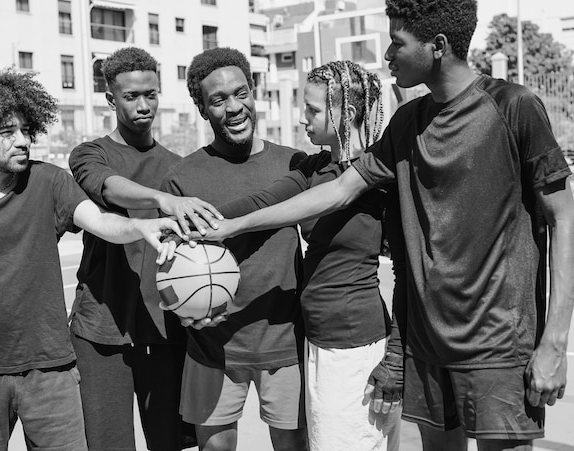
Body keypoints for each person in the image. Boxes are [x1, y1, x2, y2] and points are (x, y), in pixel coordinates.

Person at [190, 1, 574, 450]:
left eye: (397, 43)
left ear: (438, 46)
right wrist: (230, 226)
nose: (388, 56)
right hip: (427, 343)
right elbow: (336, 190)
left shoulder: (514, 107)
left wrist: (554, 342)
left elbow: (563, 218)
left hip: (498, 340)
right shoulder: (407, 123)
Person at [0, 68, 184, 451]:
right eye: (8, 133)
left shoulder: (50, 182)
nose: (22, 141)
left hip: (50, 370)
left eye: (26, 130)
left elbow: (102, 221)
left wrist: (140, 228)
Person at [201, 60, 403, 451]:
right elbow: (262, 201)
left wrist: (395, 358)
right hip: (317, 342)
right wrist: (197, 220)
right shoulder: (314, 167)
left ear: (348, 112)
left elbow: (410, 274)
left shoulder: (378, 176)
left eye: (312, 110)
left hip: (355, 346)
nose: (302, 119)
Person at [68, 47, 220, 451]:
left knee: (168, 443)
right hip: (101, 329)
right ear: (110, 99)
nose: (143, 105)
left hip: (165, 329)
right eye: (131, 96)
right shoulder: (89, 154)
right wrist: (163, 200)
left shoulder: (179, 166)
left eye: (150, 94)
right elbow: (109, 185)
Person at [160, 47, 308, 451]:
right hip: (211, 348)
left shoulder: (294, 163)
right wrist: (183, 314)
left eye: (240, 93)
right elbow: (165, 267)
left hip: (285, 343)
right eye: (218, 100)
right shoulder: (182, 178)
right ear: (201, 108)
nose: (234, 107)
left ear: (253, 90)